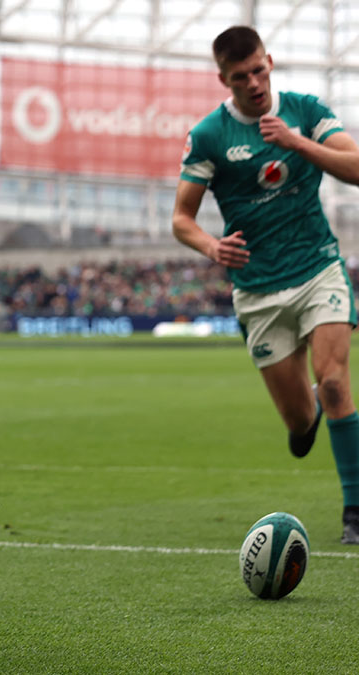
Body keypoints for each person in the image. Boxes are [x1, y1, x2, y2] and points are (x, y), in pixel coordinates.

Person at [174, 25, 359, 544]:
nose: (254, 83)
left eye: (259, 70)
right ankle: (310, 415)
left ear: (270, 62)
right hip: (257, 289)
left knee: (338, 381)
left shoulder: (303, 110)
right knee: (300, 421)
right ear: (223, 80)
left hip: (318, 266)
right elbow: (181, 219)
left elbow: (357, 166)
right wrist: (212, 246)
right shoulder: (210, 135)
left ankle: (355, 511)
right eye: (240, 77)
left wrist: (296, 141)